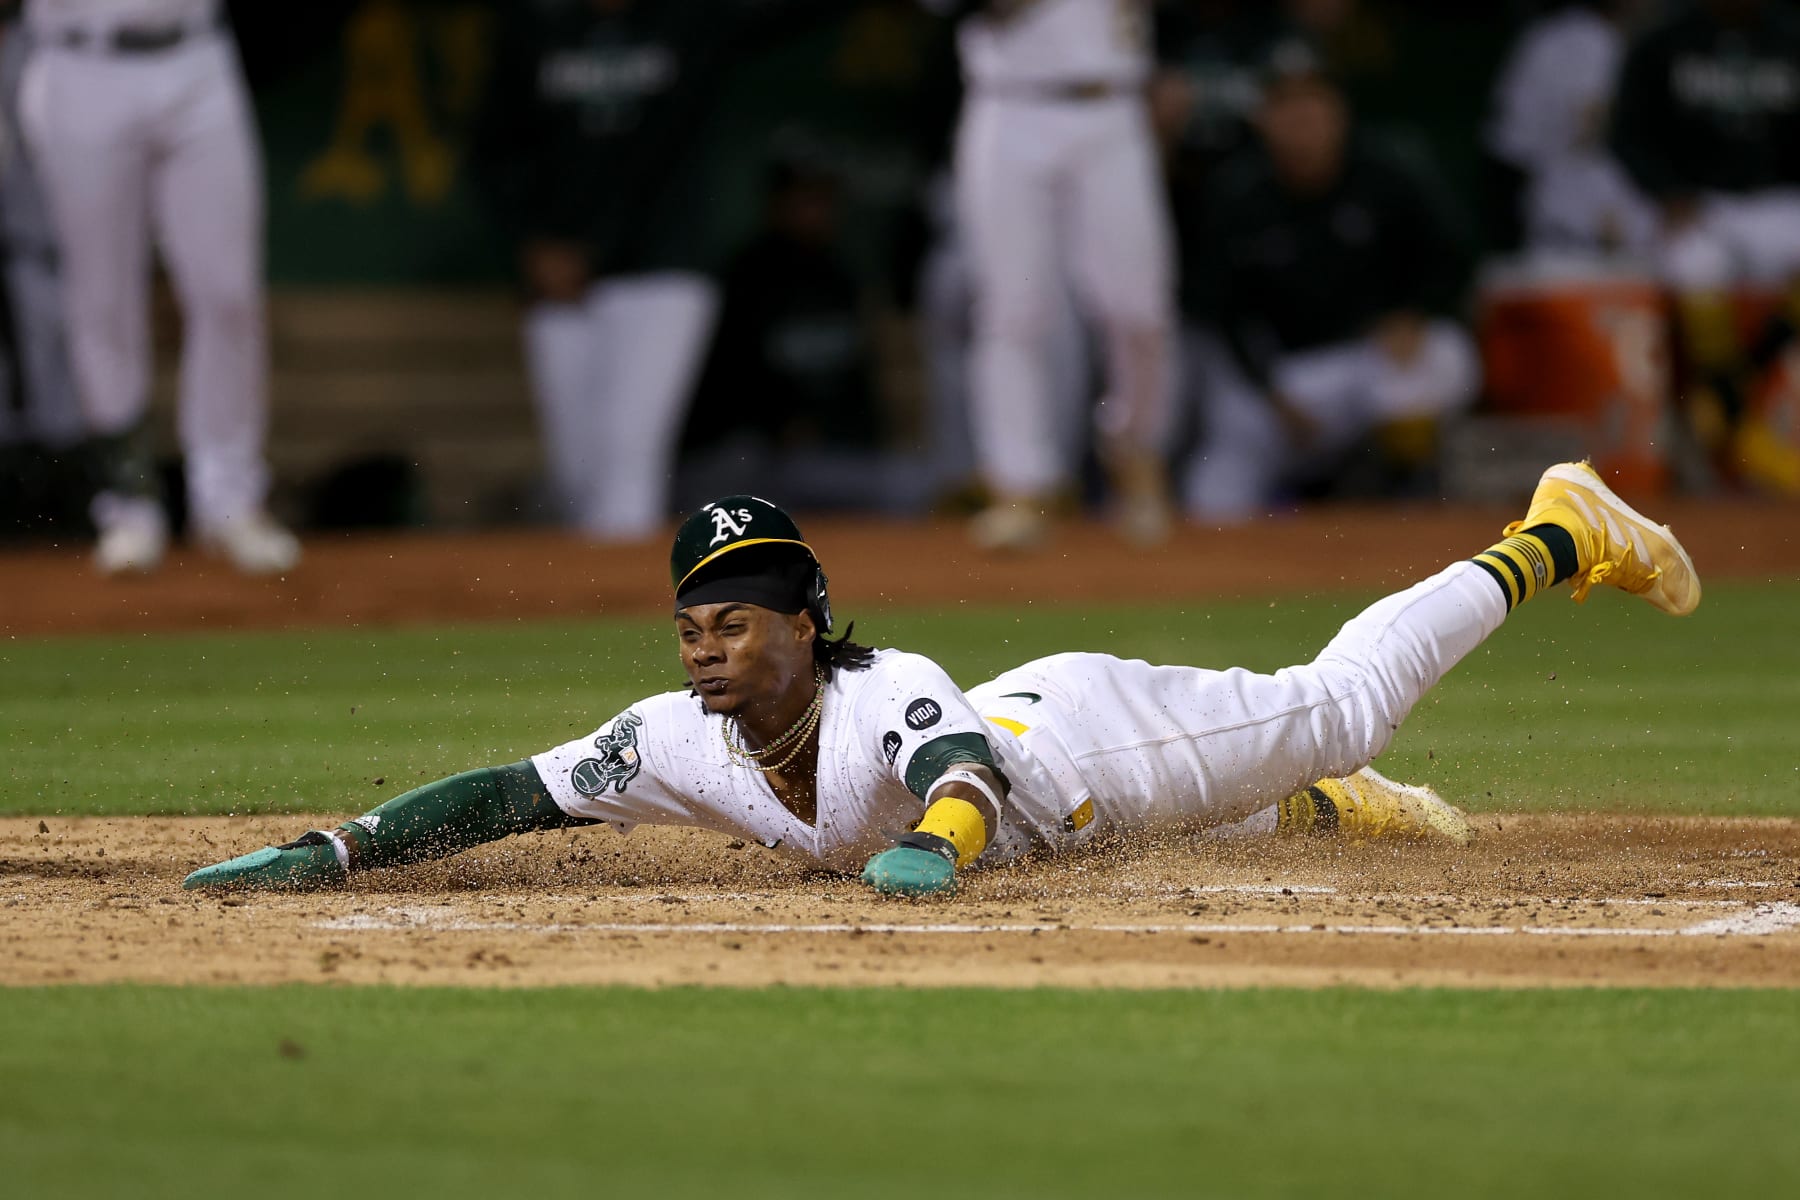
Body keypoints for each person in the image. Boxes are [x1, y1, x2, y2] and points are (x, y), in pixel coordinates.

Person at [184, 460, 1700, 897]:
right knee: (1213, 825)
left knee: (1337, 705)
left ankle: (1554, 535)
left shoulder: (885, 682)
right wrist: (344, 848)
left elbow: (959, 782)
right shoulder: (677, 735)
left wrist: (934, 852)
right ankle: (1332, 817)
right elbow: (518, 795)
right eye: (693, 619)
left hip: (1089, 741)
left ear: (808, 620)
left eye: (742, 616)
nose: (709, 640)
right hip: (1063, 799)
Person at [475, 0, 833, 543]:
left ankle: (622, 615)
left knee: (628, 453)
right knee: (575, 471)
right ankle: (594, 597)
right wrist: (532, 241)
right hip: (562, 278)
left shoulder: (689, 16)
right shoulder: (536, 23)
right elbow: (492, 148)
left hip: (665, 267)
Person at [17, 0, 299, 575]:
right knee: (102, 297)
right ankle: (130, 505)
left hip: (197, 55)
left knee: (228, 293)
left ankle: (229, 498)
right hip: (80, 61)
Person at [1183, 39, 1477, 522]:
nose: (1301, 117)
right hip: (1281, 385)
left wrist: (1413, 314)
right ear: (1262, 117)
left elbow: (1453, 260)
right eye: (1284, 103)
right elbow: (1221, 313)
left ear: (1338, 109)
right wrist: (1269, 391)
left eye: (1313, 100)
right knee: (1212, 497)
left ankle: (1405, 498)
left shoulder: (1386, 171)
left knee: (1442, 355)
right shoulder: (1238, 193)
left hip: (1367, 365)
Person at [926, 0, 1179, 550]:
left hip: (1114, 106)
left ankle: (1135, 454)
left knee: (1138, 308)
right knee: (1013, 309)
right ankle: (1018, 485)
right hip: (1010, 105)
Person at [1609, 0, 1800, 475]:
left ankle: (1732, 392)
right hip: (1699, 203)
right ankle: (1727, 412)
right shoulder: (1664, 41)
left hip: (1777, 198)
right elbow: (1627, 131)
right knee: (1695, 265)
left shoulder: (1788, 36)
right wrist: (1666, 191)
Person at [1483, 0, 1654, 259]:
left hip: (1652, 239)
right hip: (1565, 234)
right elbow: (1511, 149)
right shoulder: (1550, 45)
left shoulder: (1670, 43)